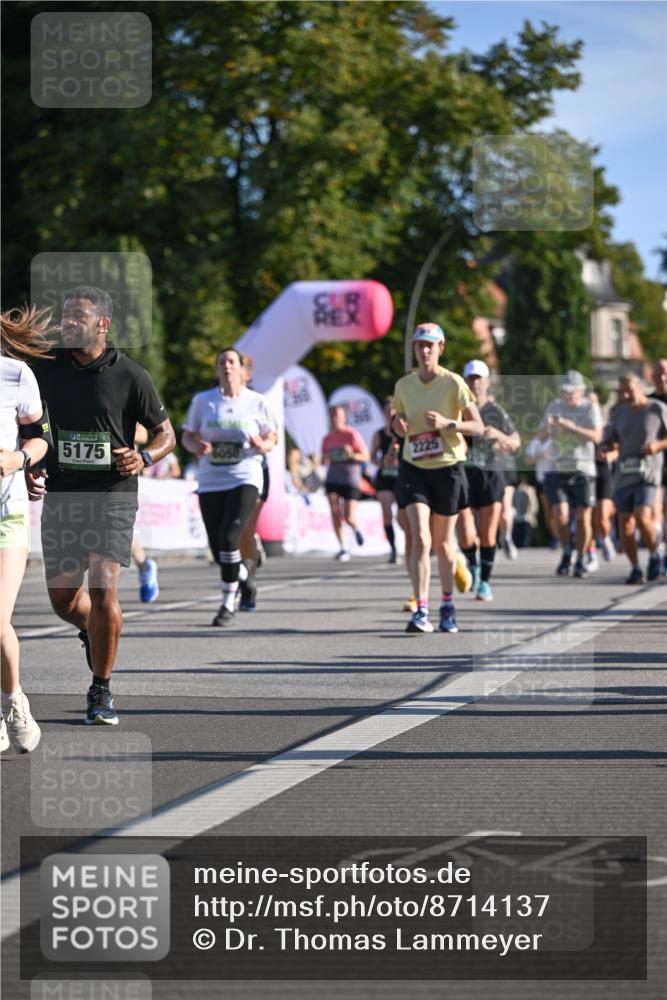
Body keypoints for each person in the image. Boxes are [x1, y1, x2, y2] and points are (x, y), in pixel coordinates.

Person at [27, 286, 175, 726]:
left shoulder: (131, 375)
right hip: (62, 493)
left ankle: (101, 690)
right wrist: (31, 464)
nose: (68, 323)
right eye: (65, 316)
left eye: (78, 316)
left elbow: (166, 434)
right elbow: (29, 426)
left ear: (102, 324)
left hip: (112, 494)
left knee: (103, 588)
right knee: (62, 600)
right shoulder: (46, 370)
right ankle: (94, 632)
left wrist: (145, 455)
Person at [393, 323, 483, 634]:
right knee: (420, 537)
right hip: (413, 466)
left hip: (448, 467)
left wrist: (449, 424)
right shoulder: (404, 386)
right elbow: (396, 419)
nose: (425, 350)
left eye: (431, 345)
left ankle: (447, 604)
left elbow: (478, 427)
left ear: (441, 348)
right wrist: (398, 425)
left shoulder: (454, 383)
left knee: (444, 544)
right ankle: (421, 609)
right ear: (415, 349)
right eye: (420, 345)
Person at [181, 346, 278, 625]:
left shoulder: (257, 402)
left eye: (231, 362)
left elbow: (273, 438)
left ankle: (226, 604)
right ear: (216, 369)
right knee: (219, 548)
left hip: (245, 475)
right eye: (221, 362)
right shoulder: (203, 401)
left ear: (241, 369)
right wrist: (197, 445)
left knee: (229, 538)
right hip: (211, 479)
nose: (226, 366)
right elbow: (187, 436)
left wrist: (263, 444)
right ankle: (244, 576)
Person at [0, 306, 53, 752]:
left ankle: (13, 700)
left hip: (6, 513)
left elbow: (39, 438)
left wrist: (17, 461)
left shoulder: (16, 374)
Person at [457, 359, 521, 602]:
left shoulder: (496, 412)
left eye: (479, 379)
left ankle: (484, 581)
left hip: (491, 474)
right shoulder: (457, 408)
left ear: (487, 382)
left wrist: (499, 435)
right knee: (465, 533)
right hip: (463, 475)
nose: (475, 383)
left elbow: (516, 443)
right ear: (464, 382)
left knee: (487, 534)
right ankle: (472, 564)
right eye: (471, 379)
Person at [600, 372, 667, 584]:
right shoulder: (619, 413)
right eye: (623, 392)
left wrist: (657, 445)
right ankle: (636, 567)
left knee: (642, 516)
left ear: (640, 387)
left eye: (630, 390)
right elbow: (610, 440)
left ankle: (655, 553)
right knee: (625, 524)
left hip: (648, 473)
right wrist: (605, 448)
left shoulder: (657, 409)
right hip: (623, 475)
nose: (627, 395)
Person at [538, 370, 603, 578]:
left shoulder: (589, 407)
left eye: (571, 392)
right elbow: (539, 437)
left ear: (580, 391)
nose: (567, 396)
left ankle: (582, 556)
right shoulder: (554, 406)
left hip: (583, 468)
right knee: (561, 515)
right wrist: (548, 429)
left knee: (584, 517)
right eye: (564, 391)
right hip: (558, 468)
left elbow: (596, 436)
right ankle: (568, 550)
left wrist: (572, 427)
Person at [321, 404, 369, 562]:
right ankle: (342, 547)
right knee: (334, 511)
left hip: (350, 478)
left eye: (338, 415)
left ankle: (355, 527)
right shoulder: (327, 438)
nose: (335, 418)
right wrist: (323, 458)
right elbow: (323, 459)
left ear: (344, 418)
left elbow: (365, 457)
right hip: (333, 478)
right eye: (333, 415)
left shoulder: (352, 435)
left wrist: (352, 454)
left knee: (348, 516)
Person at [371, 397, 402, 564]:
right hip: (385, 477)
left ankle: (413, 543)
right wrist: (381, 461)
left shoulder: (404, 431)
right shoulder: (379, 434)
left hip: (401, 477)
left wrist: (399, 461)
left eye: (393, 410)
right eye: (387, 411)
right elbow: (372, 457)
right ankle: (393, 549)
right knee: (386, 512)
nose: (390, 414)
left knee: (403, 516)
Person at [649, 358, 667, 573]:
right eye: (658, 374)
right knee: (653, 511)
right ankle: (657, 552)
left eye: (665, 374)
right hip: (653, 466)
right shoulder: (648, 403)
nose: (662, 378)